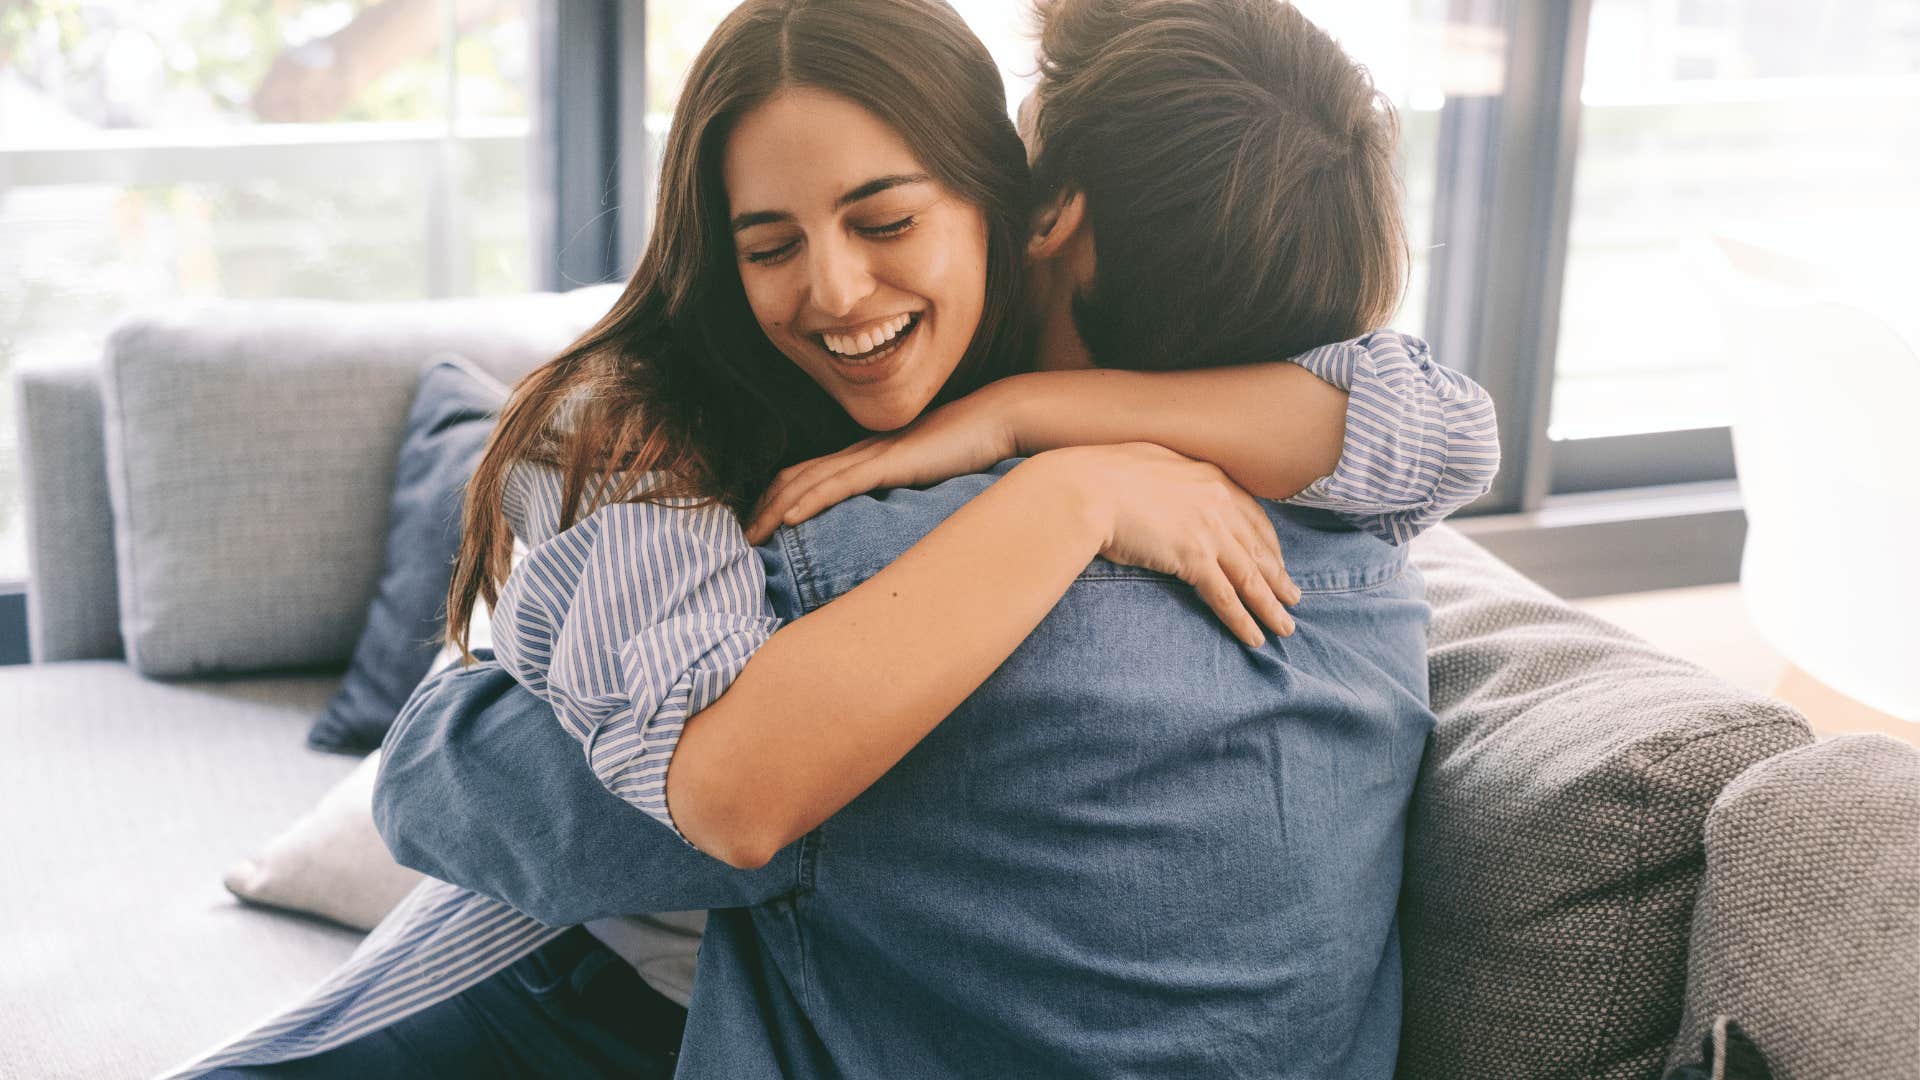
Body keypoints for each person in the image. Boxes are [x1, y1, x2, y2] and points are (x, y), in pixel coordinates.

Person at [167, 0, 1495, 1075]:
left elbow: (466, 784)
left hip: (631, 986)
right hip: (599, 955)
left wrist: (1051, 454)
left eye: (889, 218)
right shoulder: (1357, 542)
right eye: (772, 241)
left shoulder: (875, 570)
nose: (840, 287)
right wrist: (1065, 479)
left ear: (1033, 207)